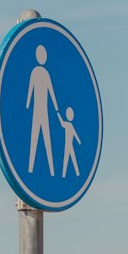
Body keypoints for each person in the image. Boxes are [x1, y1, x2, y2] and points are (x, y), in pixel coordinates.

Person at [26, 45, 58, 174]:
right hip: (39, 110)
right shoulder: (39, 73)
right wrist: (28, 103)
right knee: (40, 138)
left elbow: (50, 91)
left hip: (41, 110)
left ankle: (49, 169)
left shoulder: (42, 73)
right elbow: (31, 89)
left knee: (43, 138)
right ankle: (33, 168)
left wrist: (55, 107)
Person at [58, 105, 81, 177]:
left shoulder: (69, 125)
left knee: (69, 159)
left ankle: (72, 173)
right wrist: (58, 115)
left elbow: (75, 134)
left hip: (69, 145)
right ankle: (65, 174)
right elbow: (61, 123)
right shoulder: (68, 124)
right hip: (68, 145)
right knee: (68, 159)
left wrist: (78, 141)